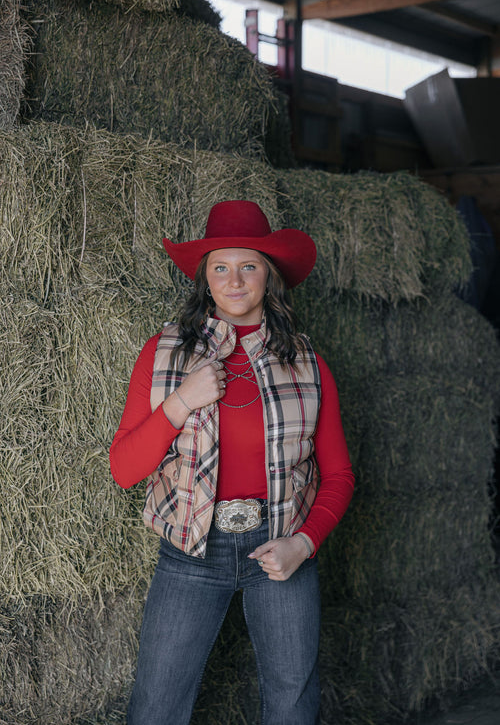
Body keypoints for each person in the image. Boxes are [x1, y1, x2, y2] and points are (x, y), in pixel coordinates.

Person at [109, 200, 355, 725]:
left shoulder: (308, 364)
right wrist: (182, 400)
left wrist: (303, 544)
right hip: (190, 556)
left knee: (292, 705)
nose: (235, 280)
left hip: (280, 548)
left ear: (270, 276)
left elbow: (338, 475)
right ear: (206, 278)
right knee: (156, 707)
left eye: (249, 266)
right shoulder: (165, 354)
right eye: (221, 267)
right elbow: (124, 469)